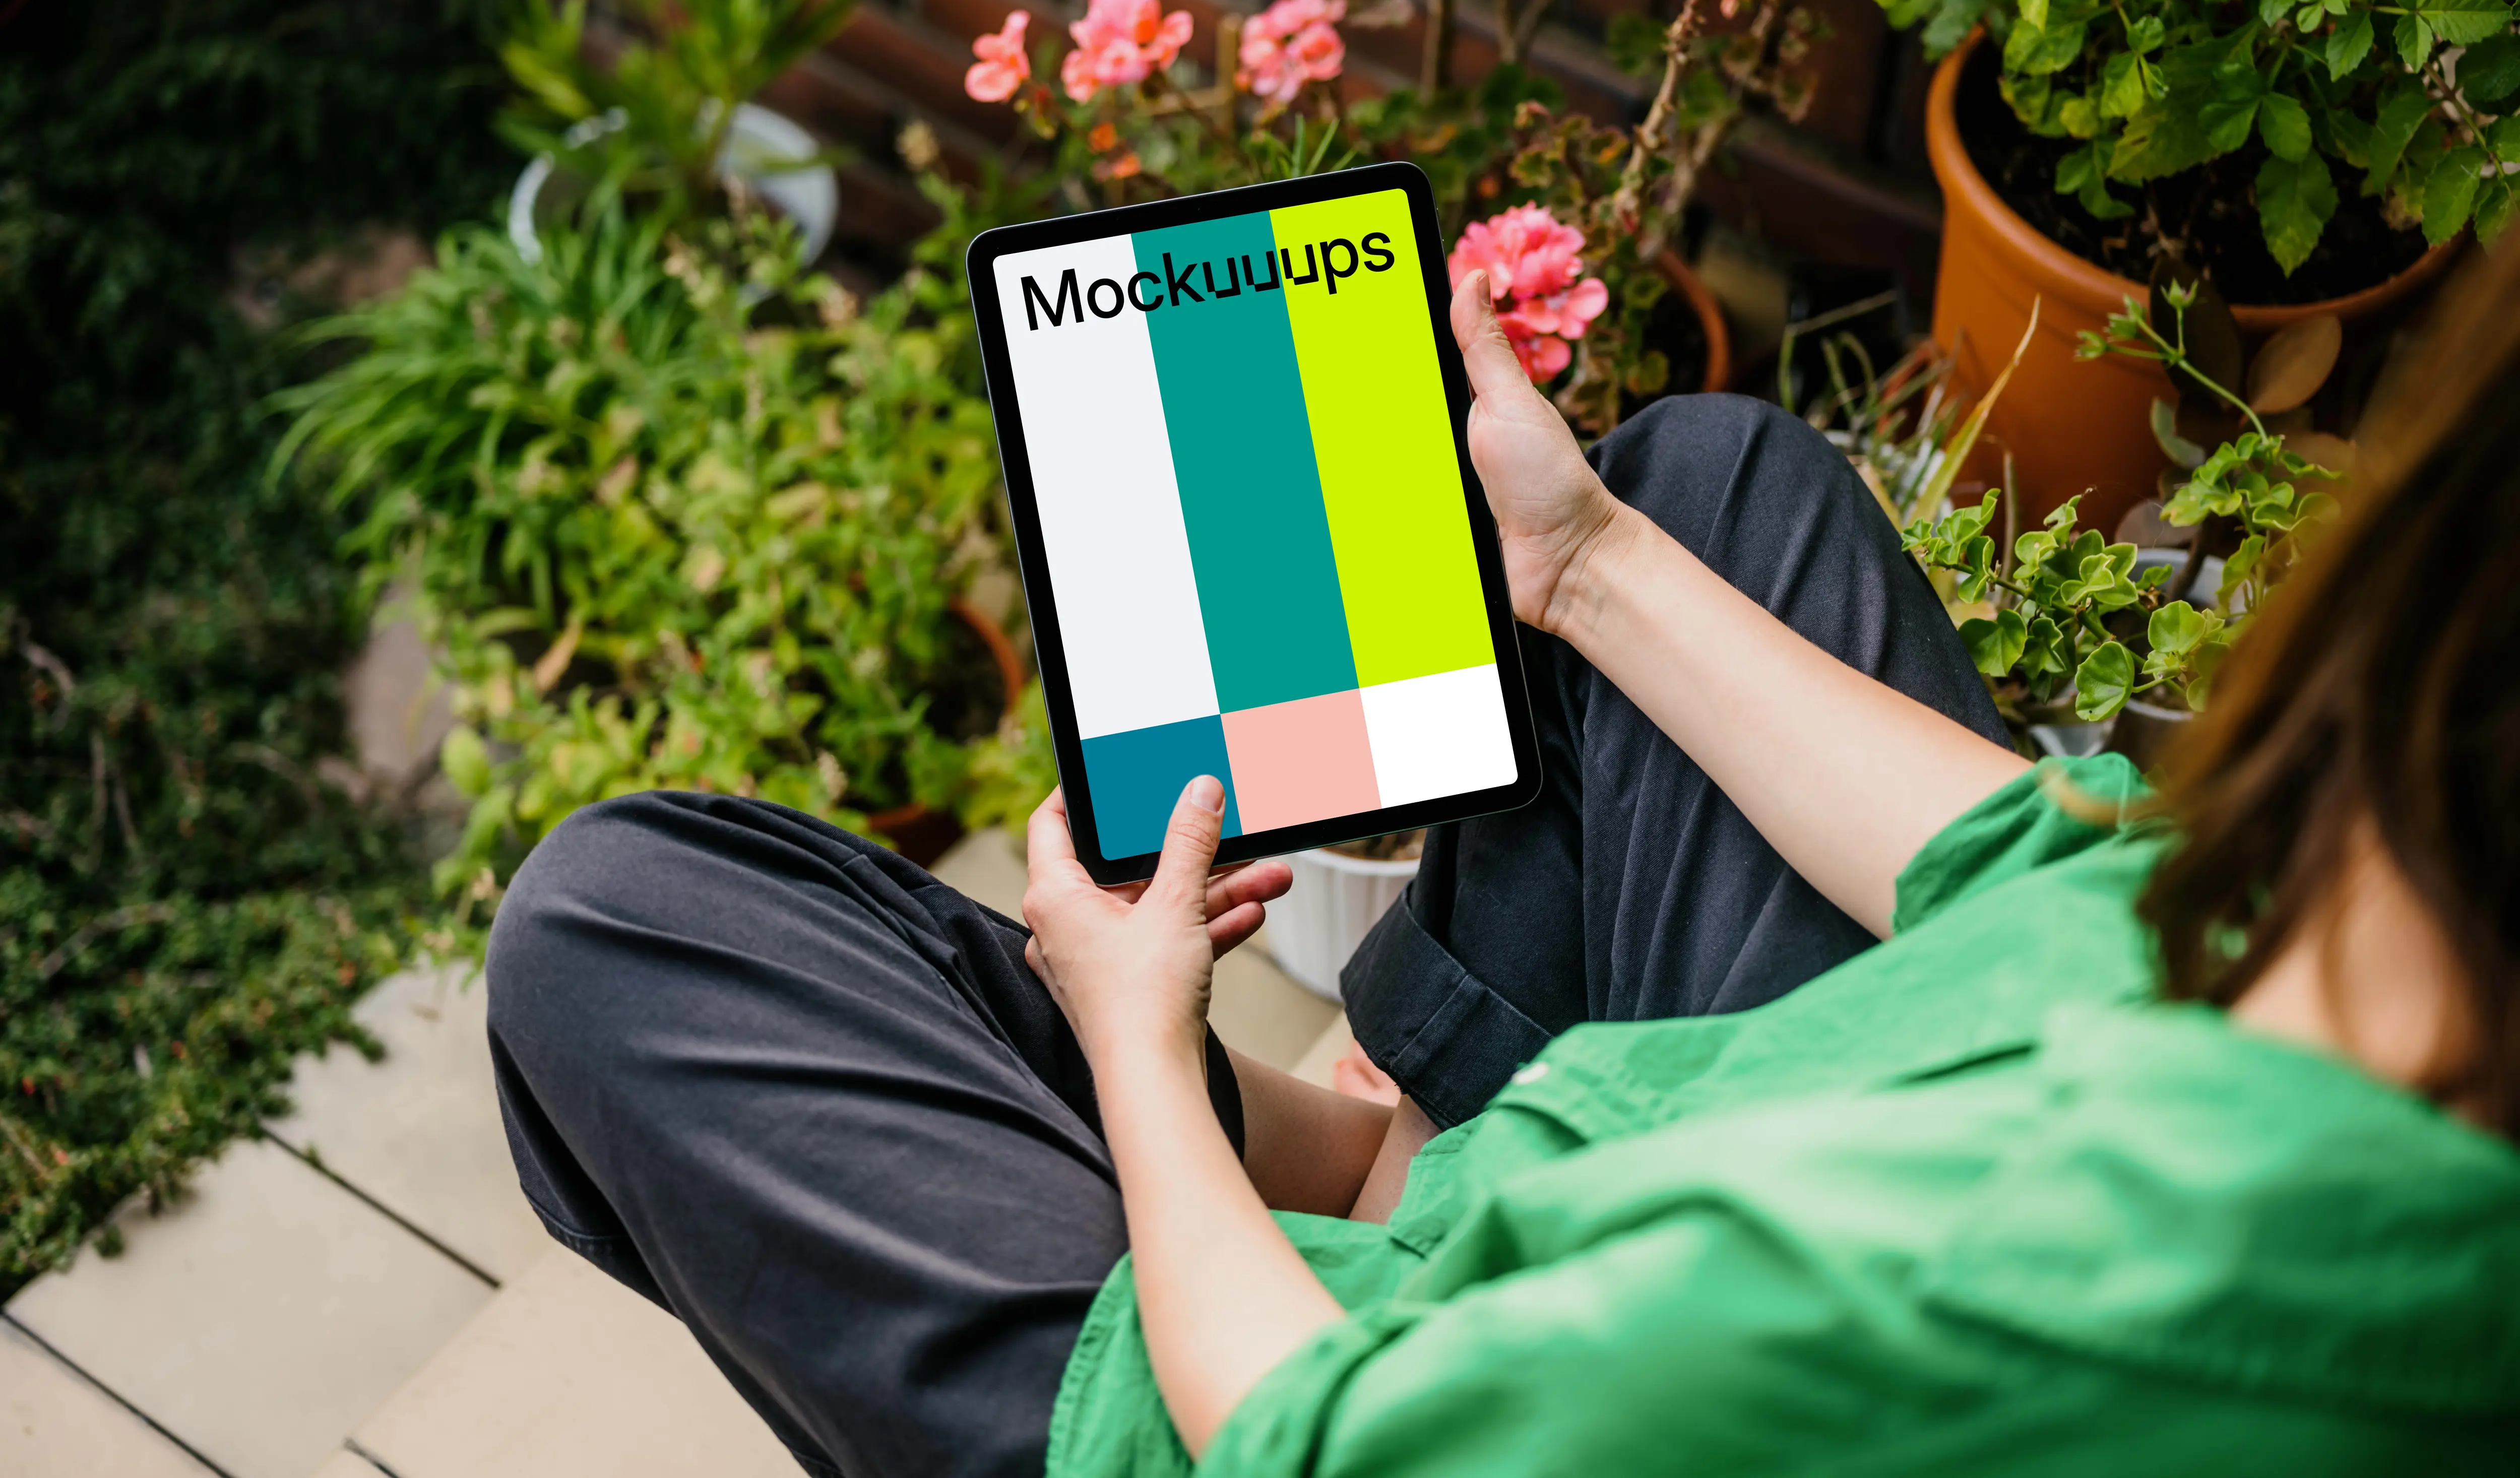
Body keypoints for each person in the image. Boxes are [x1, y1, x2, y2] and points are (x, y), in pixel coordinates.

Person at [486, 242, 2520, 1477]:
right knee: (1712, 483)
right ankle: (1367, 1120)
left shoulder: (1933, 1285)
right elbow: (2031, 867)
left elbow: (1306, 1434)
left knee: (612, 924)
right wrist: (1584, 564)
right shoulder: (2373, 1027)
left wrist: (1131, 1044)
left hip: (1297, 1409)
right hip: (1618, 1204)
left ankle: (1271, 1148)